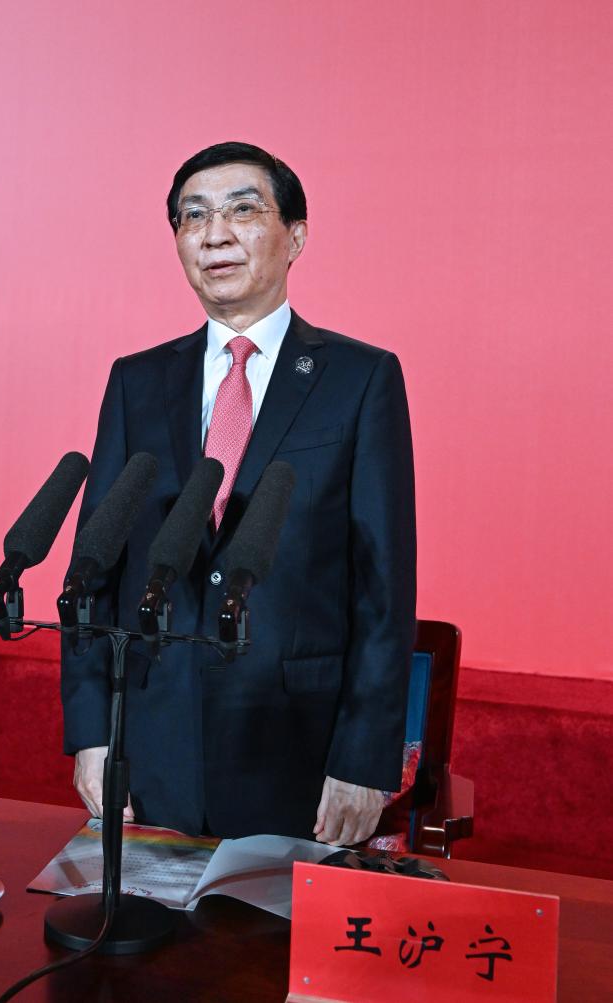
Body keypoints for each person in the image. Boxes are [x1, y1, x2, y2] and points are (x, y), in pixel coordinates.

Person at [61, 141, 416, 846]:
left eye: (242, 210)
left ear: (295, 237)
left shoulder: (360, 379)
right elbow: (91, 571)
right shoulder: (137, 381)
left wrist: (361, 760)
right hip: (152, 742)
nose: (214, 233)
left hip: (295, 746)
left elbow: (383, 586)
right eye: (193, 216)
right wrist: (92, 732)